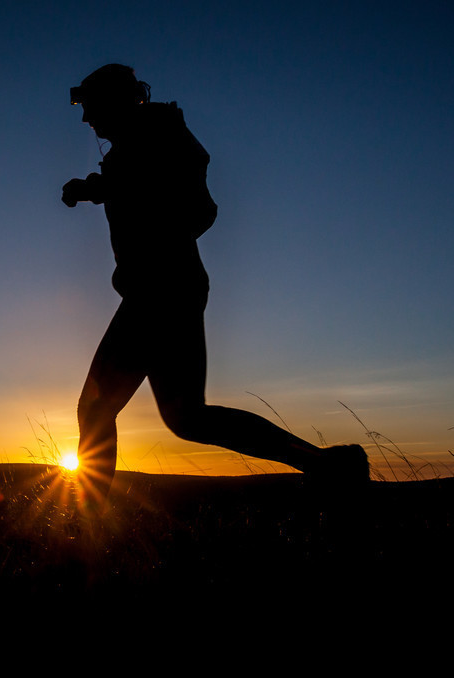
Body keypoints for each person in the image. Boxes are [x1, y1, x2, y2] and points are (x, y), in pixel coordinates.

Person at [62, 64, 368, 494]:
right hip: (168, 289)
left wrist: (119, 199)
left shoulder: (158, 137)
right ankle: (330, 465)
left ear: (117, 101)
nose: (86, 120)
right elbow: (133, 183)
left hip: (160, 292)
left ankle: (86, 527)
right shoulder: (137, 145)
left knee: (96, 410)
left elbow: (194, 205)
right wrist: (92, 188)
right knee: (188, 418)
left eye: (92, 108)